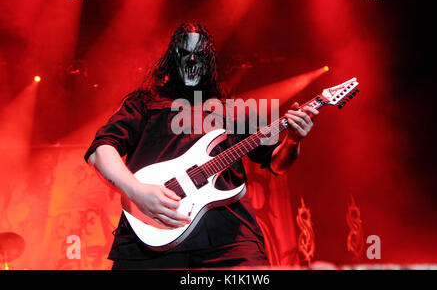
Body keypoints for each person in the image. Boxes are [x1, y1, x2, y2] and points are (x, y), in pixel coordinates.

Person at [84, 22, 318, 269]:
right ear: (172, 58)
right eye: (185, 53)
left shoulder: (236, 110)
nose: (192, 59)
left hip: (229, 239)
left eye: (200, 54)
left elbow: (277, 163)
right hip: (150, 235)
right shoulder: (144, 103)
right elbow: (101, 151)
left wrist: (293, 140)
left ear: (211, 60)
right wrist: (137, 191)